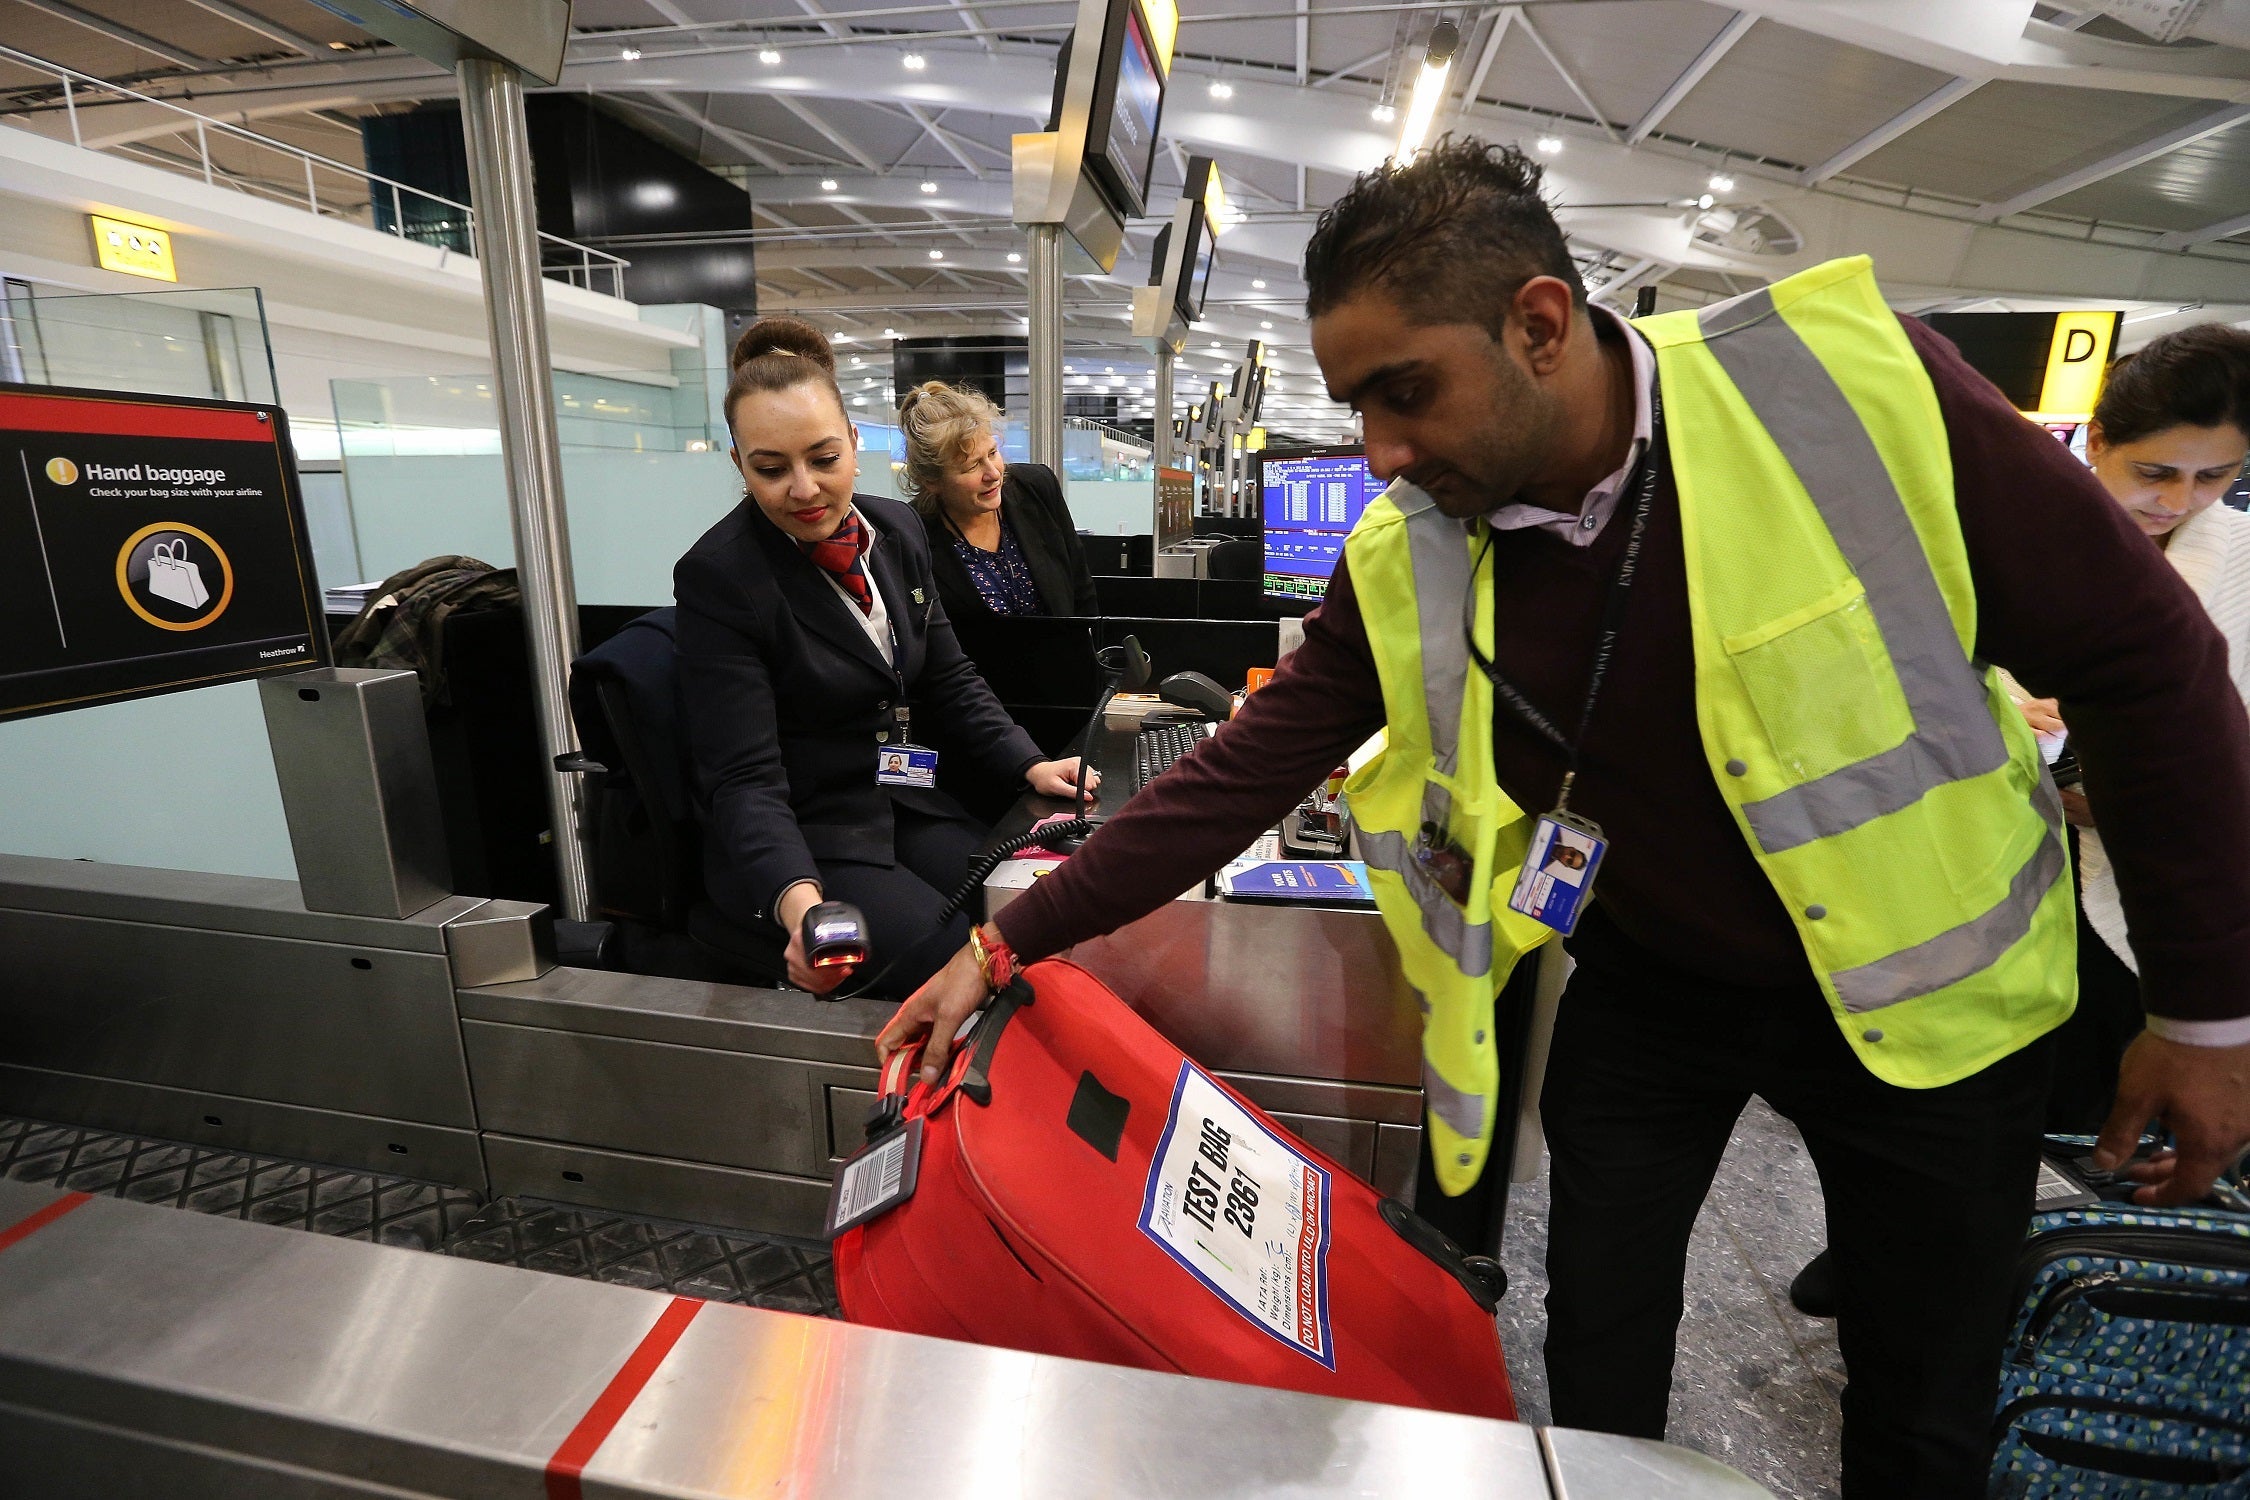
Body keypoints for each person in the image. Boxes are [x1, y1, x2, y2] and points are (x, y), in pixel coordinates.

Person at [875, 140, 2250, 1497]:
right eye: (1356, 405)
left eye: (1402, 393)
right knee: (1595, 1331)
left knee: (1918, 1401)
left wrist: (2200, 1018)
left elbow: (2151, 671)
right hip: (1658, 980)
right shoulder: (1408, 550)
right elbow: (1238, 771)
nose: (1380, 453)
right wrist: (1004, 944)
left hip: (1932, 990)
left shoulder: (1847, 391)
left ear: (1538, 323)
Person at [1789, 323, 2250, 1318]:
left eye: (2215, 477)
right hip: (1990, 877)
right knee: (1953, 1108)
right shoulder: (2014, 531)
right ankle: (1890, 1259)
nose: (2180, 501)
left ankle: (2056, 1305)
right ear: (2096, 446)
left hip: (2137, 911)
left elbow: (2212, 738)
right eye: (2157, 471)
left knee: (2084, 1128)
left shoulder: (2235, 568)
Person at [674, 317, 1094, 999]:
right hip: (814, 836)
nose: (804, 488)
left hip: (905, 798)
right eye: (771, 469)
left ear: (856, 444)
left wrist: (1028, 761)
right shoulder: (721, 578)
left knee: (1026, 917)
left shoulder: (895, 531)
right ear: (738, 464)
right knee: (961, 967)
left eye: (823, 458)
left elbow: (949, 675)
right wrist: (802, 907)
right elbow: (743, 779)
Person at [899, 380, 1101, 619]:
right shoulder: (912, 535)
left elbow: (1081, 591)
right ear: (931, 481)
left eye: (993, 453)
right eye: (972, 466)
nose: (994, 474)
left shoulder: (1035, 486)